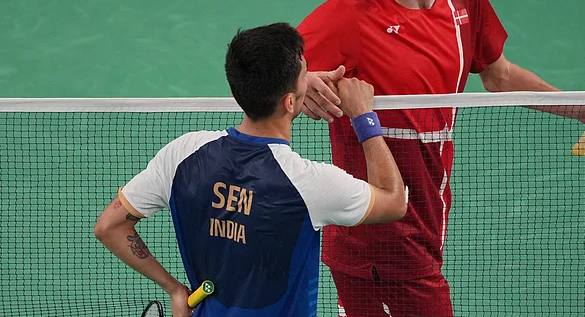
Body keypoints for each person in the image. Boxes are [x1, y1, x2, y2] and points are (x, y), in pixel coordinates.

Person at [297, 0, 585, 317]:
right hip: (378, 233)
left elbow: (499, 75)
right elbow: (266, 78)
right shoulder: (351, 15)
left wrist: (578, 107)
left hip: (427, 208)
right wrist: (302, 85)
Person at [94, 23, 407, 317]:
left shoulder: (183, 154)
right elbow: (394, 202)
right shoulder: (310, 184)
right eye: (305, 73)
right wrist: (363, 117)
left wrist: (174, 290)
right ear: (288, 101)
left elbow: (110, 226)